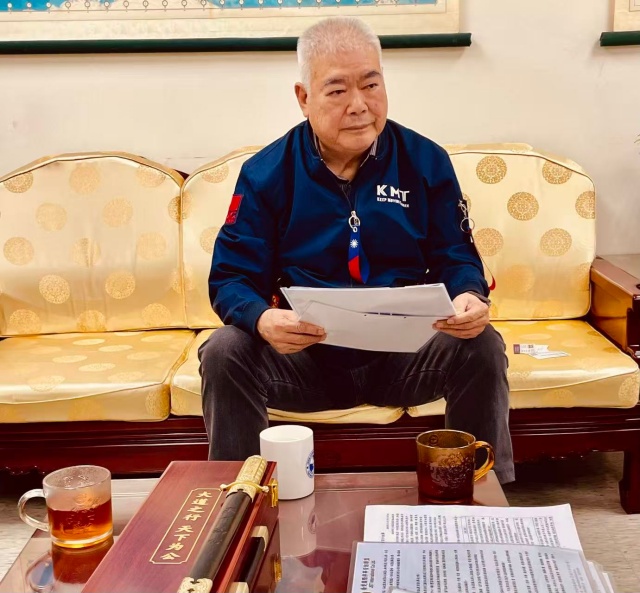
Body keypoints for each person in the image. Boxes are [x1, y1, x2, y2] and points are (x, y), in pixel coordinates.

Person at [199, 16, 514, 484]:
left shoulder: (425, 161)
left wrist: (469, 293)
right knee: (224, 350)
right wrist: (262, 319)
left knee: (481, 344)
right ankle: (239, 502)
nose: (360, 105)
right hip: (306, 360)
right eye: (337, 90)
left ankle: (474, 491)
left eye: (371, 84)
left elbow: (456, 254)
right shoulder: (267, 174)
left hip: (404, 358)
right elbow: (230, 277)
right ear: (304, 97)